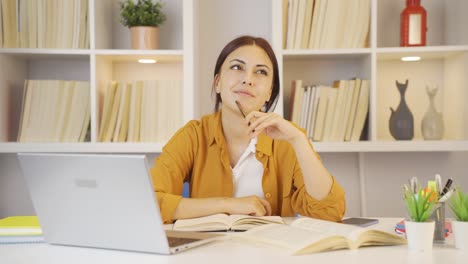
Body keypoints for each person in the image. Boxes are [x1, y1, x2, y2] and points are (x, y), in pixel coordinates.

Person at [150, 35, 346, 224]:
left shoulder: (288, 139)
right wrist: (228, 205)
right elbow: (149, 203)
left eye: (260, 72)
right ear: (217, 83)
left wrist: (299, 140)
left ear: (269, 91)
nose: (248, 79)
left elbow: (329, 213)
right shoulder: (193, 135)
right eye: (237, 67)